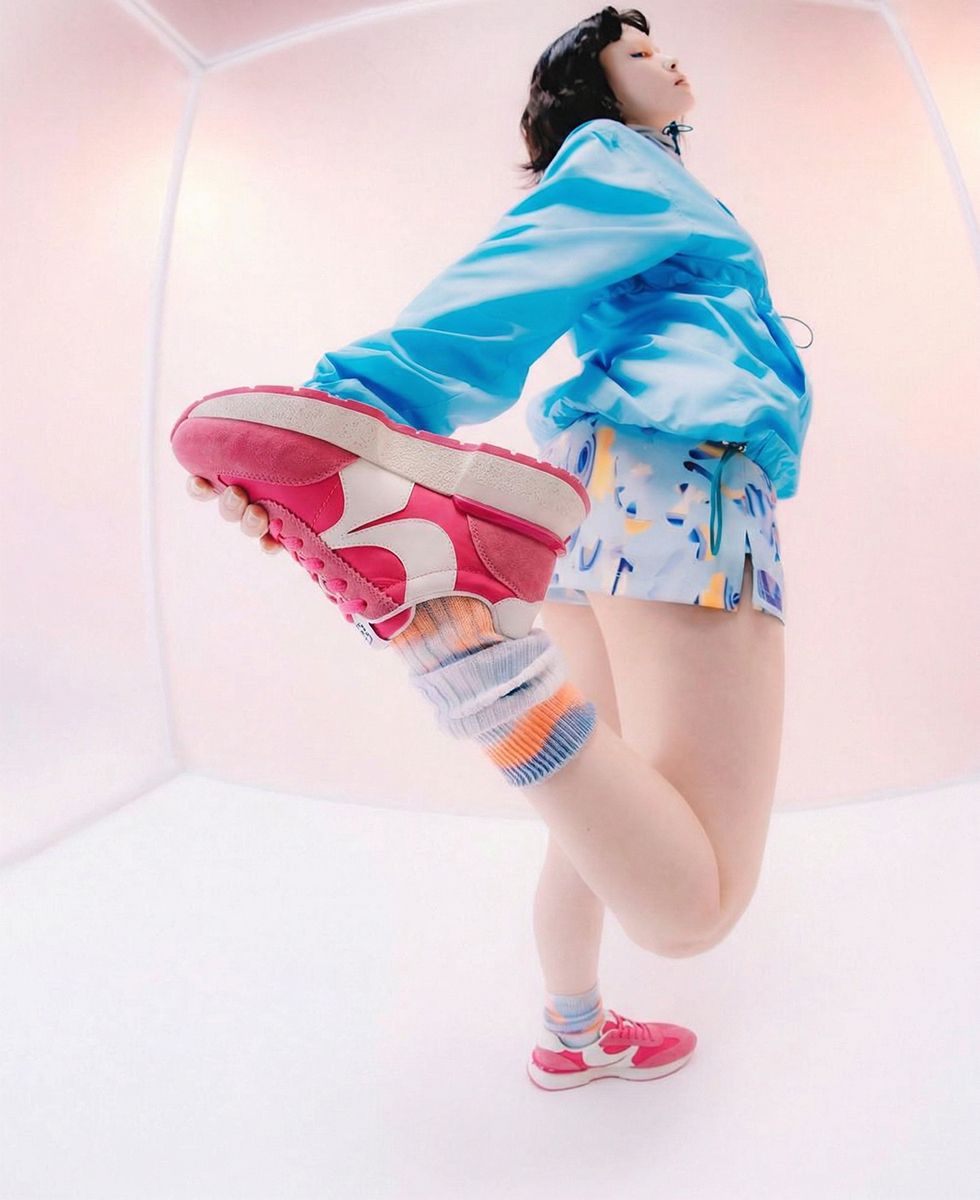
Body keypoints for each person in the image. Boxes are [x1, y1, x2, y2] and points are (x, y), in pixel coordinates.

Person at [181, 6, 812, 1090]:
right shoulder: (621, 158)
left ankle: (573, 1030)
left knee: (600, 803)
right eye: (634, 53)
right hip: (688, 483)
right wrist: (343, 414)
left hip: (601, 500)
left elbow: (522, 278)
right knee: (694, 906)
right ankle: (480, 673)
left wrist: (316, 447)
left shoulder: (636, 176)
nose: (665, 58)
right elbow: (507, 285)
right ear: (592, 93)